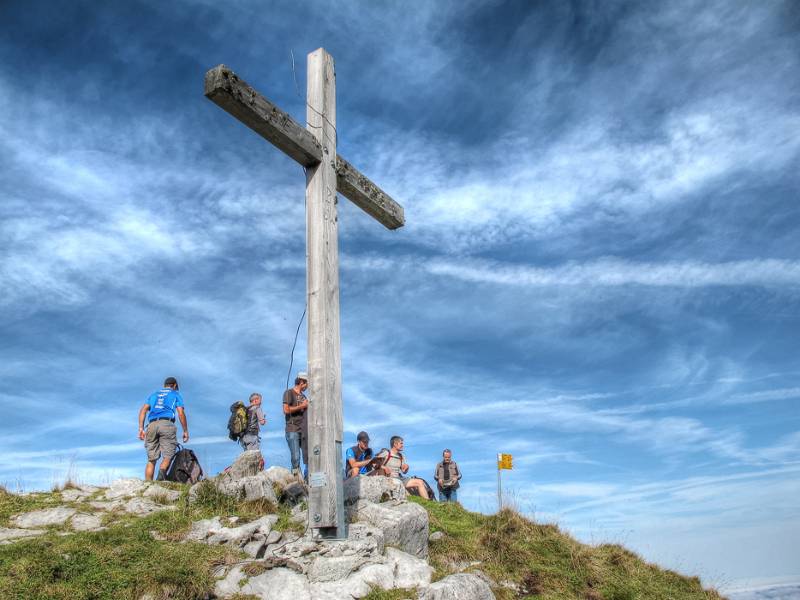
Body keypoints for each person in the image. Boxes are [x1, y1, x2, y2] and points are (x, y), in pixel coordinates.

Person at [137, 376, 189, 481]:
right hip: (167, 424)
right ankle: (160, 480)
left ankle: (148, 485)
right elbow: (180, 412)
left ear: (164, 385)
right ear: (174, 385)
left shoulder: (154, 395)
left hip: (151, 425)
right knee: (168, 455)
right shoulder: (175, 394)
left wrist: (141, 428)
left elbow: (143, 410)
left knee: (151, 459)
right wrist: (185, 431)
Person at [283, 371, 309, 477]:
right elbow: (286, 410)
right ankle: (296, 479)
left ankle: (307, 479)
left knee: (309, 456)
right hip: (292, 429)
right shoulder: (289, 393)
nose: (308, 387)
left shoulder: (304, 397)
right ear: (302, 382)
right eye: (307, 384)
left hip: (304, 430)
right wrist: (301, 406)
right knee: (296, 457)